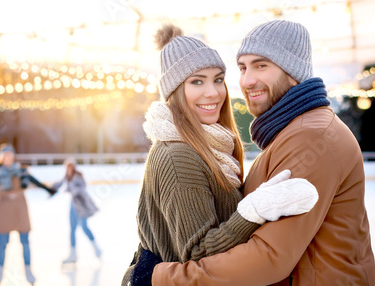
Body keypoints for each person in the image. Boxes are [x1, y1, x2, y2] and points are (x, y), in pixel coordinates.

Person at [145, 20, 375, 285]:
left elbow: (268, 257)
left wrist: (159, 278)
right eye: (242, 68)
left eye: (261, 65)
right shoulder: (292, 132)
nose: (247, 80)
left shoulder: (310, 137)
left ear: (293, 72)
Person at [124, 24, 319, 286]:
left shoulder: (211, 146)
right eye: (196, 82)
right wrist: (252, 211)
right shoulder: (178, 155)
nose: (213, 92)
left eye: (217, 79)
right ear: (173, 92)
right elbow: (198, 255)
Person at [0, 144, 56, 285]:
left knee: (25, 242)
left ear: (13, 156)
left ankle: (28, 270)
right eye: (4, 155)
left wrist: (49, 190)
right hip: (4, 211)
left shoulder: (22, 171)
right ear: (1, 157)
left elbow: (35, 182)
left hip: (20, 210)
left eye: (9, 155)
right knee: (2, 243)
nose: (7, 157)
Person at [52, 158, 102, 264]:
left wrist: (72, 188)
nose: (69, 169)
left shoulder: (78, 176)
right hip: (73, 205)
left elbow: (82, 188)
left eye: (70, 167)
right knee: (72, 230)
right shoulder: (67, 177)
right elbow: (59, 184)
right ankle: (73, 254)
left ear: (73, 167)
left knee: (84, 227)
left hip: (82, 205)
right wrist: (50, 188)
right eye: (67, 167)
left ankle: (97, 248)